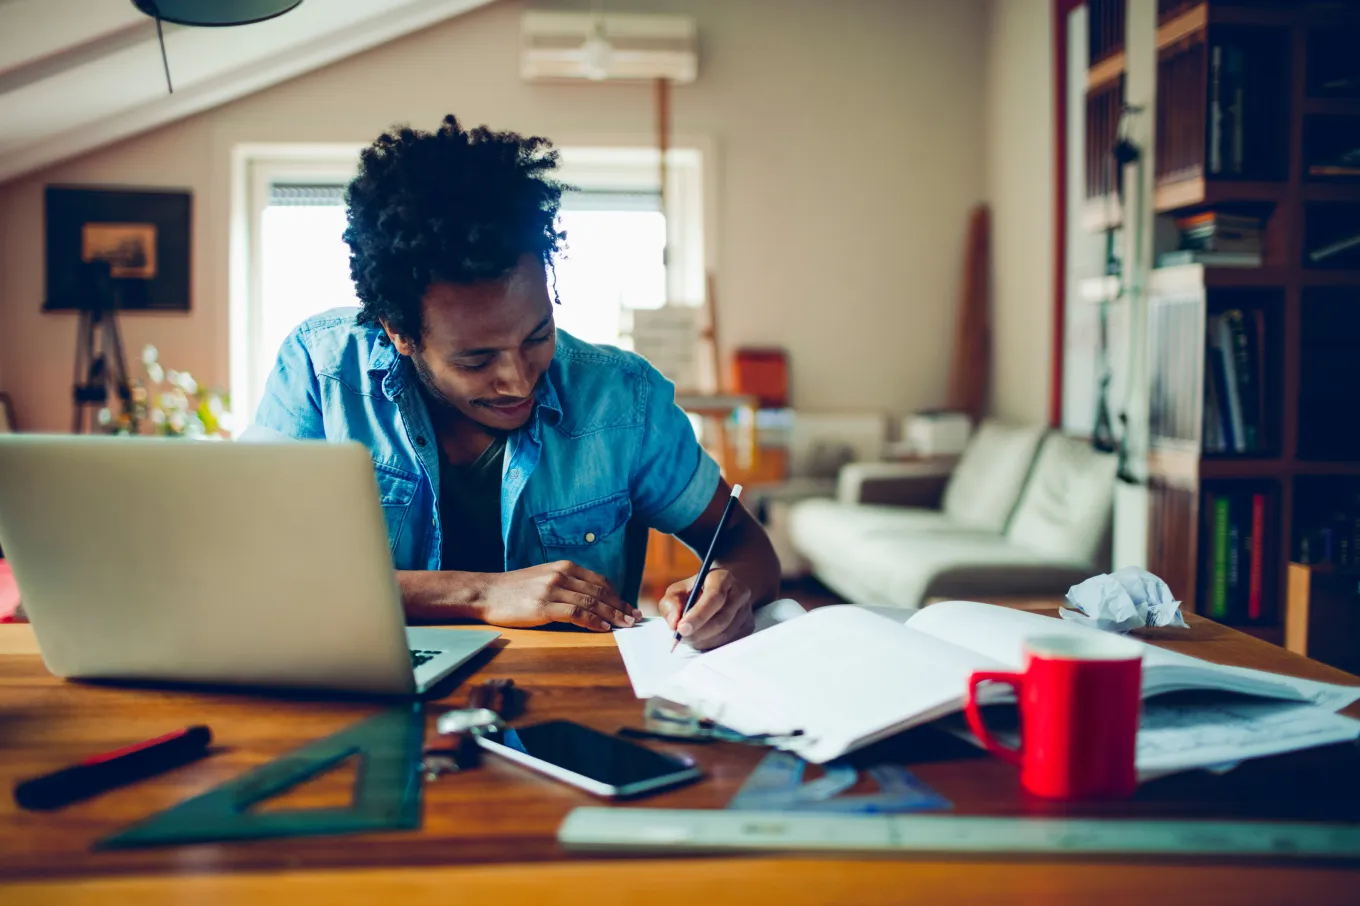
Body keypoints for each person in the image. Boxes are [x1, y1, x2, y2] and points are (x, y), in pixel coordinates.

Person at [245, 115, 780, 650]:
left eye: (537, 335)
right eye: (476, 360)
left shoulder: (623, 399)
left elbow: (743, 543)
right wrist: (478, 593)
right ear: (399, 334)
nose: (519, 380)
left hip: (573, 695)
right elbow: (256, 572)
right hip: (369, 685)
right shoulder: (322, 372)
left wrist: (728, 587)